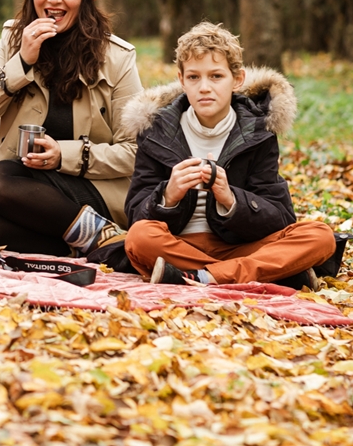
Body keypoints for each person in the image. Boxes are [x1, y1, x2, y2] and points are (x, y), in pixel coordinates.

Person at [0, 0, 144, 260]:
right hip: (26, 185)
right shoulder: (13, 39)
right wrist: (22, 62)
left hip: (93, 188)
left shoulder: (117, 57)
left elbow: (136, 151)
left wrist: (64, 156)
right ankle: (93, 247)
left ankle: (101, 232)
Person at [122, 22, 335, 289]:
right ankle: (260, 273)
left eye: (216, 76)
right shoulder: (156, 131)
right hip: (177, 246)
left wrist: (231, 200)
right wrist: (168, 196)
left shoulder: (258, 131)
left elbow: (281, 218)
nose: (204, 87)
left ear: (237, 80)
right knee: (140, 237)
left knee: (320, 235)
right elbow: (135, 216)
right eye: (193, 77)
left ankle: (204, 277)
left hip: (241, 247)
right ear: (181, 80)